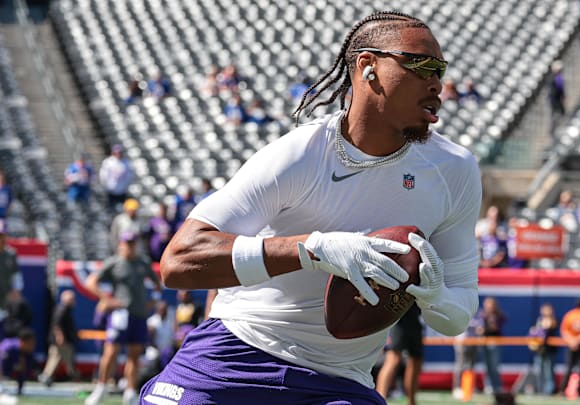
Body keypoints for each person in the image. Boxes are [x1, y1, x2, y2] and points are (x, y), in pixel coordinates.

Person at [139, 10, 482, 404]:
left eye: (440, 68)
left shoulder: (455, 170)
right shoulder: (300, 153)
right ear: (367, 66)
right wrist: (313, 250)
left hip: (339, 382)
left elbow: (457, 315)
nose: (437, 82)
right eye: (421, 65)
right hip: (233, 355)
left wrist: (434, 295)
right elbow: (179, 262)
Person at [84, 232, 163, 405]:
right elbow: (90, 282)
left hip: (139, 315)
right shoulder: (114, 262)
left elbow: (158, 284)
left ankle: (130, 391)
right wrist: (107, 299)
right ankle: (101, 387)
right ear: (121, 244)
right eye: (127, 243)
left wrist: (152, 302)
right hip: (120, 314)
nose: (130, 246)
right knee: (111, 352)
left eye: (133, 243)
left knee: (134, 355)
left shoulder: (143, 263)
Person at [375, 305, 423, 405]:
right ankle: (380, 399)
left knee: (416, 359)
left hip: (414, 316)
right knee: (393, 358)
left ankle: (412, 401)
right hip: (399, 317)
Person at [38, 290, 78, 386]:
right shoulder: (61, 309)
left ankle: (47, 376)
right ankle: (47, 376)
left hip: (63, 340)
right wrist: (60, 336)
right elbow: (57, 325)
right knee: (58, 358)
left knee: (57, 358)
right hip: (60, 340)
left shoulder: (65, 309)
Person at [559, 298, 580, 398]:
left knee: (569, 368)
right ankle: (579, 391)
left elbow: (564, 331)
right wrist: (577, 341)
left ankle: (562, 390)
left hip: (572, 345)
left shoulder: (569, 315)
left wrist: (572, 341)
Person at [452, 298, 483, 400]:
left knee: (471, 366)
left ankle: (468, 387)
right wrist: (474, 325)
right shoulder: (460, 310)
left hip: (473, 342)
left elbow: (480, 326)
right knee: (460, 366)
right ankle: (457, 388)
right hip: (462, 342)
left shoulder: (477, 311)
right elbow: (462, 324)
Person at [479, 297, 506, 394]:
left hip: (494, 342)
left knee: (494, 366)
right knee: (486, 366)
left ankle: (497, 386)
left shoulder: (498, 316)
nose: (489, 307)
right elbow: (479, 329)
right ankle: (489, 386)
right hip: (484, 342)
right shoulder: (482, 315)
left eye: (491, 305)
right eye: (487, 305)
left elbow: (495, 328)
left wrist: (490, 321)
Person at [530, 303, 558, 395]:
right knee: (539, 371)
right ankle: (540, 390)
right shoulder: (539, 320)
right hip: (540, 349)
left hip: (549, 349)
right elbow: (535, 332)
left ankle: (549, 391)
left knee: (549, 371)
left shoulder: (553, 319)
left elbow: (548, 326)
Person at [0, 328, 36, 397]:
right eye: (30, 343)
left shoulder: (28, 354)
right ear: (22, 342)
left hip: (10, 367)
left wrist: (20, 389)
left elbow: (24, 371)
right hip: (4, 363)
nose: (33, 345)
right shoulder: (10, 348)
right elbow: (2, 366)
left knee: (22, 368)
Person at [99, 144, 134, 213]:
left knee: (123, 210)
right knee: (110, 210)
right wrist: (107, 186)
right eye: (117, 152)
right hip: (111, 191)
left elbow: (129, 176)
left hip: (122, 191)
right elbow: (103, 176)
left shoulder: (126, 163)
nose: (118, 154)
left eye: (120, 152)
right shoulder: (108, 162)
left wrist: (125, 186)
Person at [0, 220, 21, 318]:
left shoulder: (11, 254)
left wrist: (16, 290)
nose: (1, 239)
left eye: (2, 235)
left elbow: (16, 275)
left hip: (5, 301)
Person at [547, 60, 565, 133]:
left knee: (557, 114)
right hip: (556, 99)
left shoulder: (555, 77)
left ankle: (555, 129)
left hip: (554, 99)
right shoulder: (557, 77)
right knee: (558, 113)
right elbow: (560, 88)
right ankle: (555, 129)